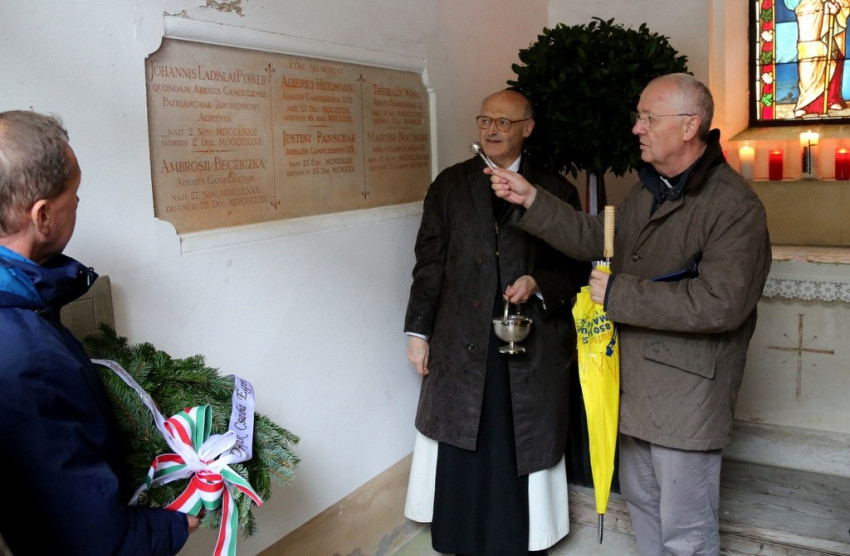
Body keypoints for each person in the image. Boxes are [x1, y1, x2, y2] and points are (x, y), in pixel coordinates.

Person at [489, 74, 772, 555]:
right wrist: (531, 199)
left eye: (648, 118)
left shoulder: (734, 206)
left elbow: (721, 303)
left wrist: (619, 293)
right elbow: (596, 237)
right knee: (644, 510)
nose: (637, 128)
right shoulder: (651, 190)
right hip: (633, 387)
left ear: (690, 126)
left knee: (686, 532)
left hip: (686, 397)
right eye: (639, 117)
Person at [0, 110, 199, 555]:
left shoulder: (24, 309)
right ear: (43, 215)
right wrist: (176, 525)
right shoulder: (27, 357)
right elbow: (89, 540)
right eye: (74, 194)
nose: (78, 203)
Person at [403, 89, 590, 555]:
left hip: (530, 338)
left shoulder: (555, 189)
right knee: (462, 430)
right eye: (485, 120)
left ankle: (518, 536)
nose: (492, 129)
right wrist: (418, 332)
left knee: (518, 434)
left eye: (504, 122)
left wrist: (537, 282)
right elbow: (429, 262)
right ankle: (459, 533)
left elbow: (574, 267)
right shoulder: (450, 185)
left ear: (528, 128)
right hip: (459, 337)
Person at [786, 0, 850, 117]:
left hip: (831, 12)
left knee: (834, 53)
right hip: (809, 12)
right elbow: (790, 3)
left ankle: (831, 98)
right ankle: (806, 103)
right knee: (808, 55)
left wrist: (836, 3)